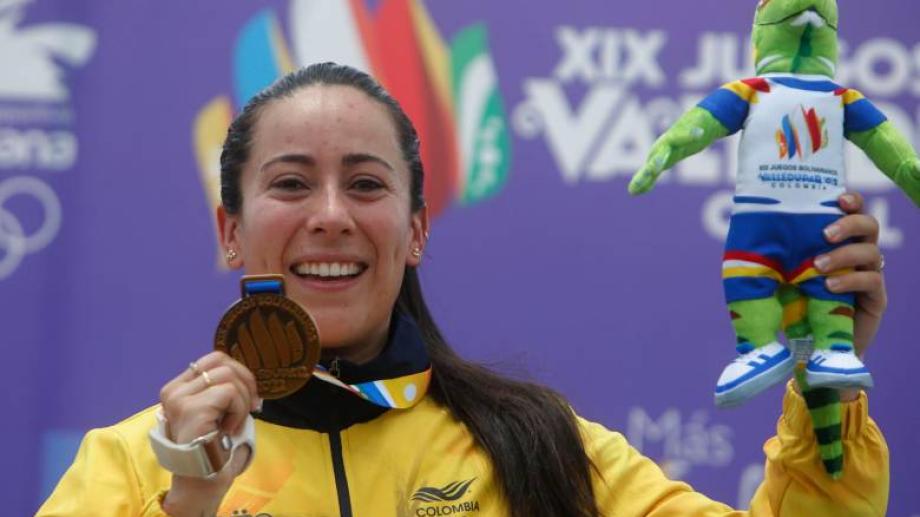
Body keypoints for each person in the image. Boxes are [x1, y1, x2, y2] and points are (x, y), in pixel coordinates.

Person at [38, 63, 889, 516]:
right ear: (231, 230)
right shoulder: (129, 464)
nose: (330, 215)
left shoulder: (535, 446)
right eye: (291, 183)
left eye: (366, 185)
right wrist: (187, 504)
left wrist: (825, 381)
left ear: (415, 229)